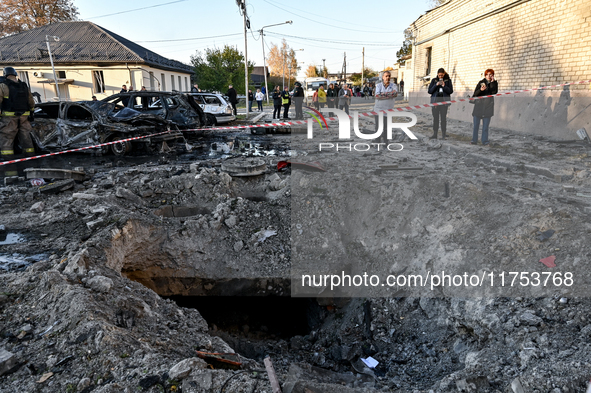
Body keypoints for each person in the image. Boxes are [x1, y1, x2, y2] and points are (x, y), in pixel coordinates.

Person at [0, 67, 36, 160]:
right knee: (25, 136)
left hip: (9, 117)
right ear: (15, 74)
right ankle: (30, 157)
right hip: (24, 116)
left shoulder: (3, 86)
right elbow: (31, 101)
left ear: (5, 75)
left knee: (7, 137)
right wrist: (31, 111)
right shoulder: (24, 85)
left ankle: (8, 160)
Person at [471, 68, 498, 146]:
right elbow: (475, 94)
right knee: (476, 126)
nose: (489, 76)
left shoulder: (494, 83)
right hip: (478, 107)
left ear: (493, 75)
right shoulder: (481, 82)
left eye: (491, 74)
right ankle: (474, 140)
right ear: (485, 75)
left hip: (488, 107)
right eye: (487, 74)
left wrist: (493, 82)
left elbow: (494, 92)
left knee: (485, 127)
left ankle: (485, 141)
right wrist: (481, 90)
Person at [427, 68, 453, 140]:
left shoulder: (448, 81)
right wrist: (436, 85)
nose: (440, 77)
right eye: (439, 75)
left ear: (444, 74)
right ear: (437, 74)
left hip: (444, 102)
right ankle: (435, 134)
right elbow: (430, 91)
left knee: (443, 119)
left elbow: (450, 91)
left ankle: (443, 135)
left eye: (442, 75)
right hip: (435, 102)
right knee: (435, 118)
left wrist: (444, 86)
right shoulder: (434, 80)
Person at [373, 71, 398, 144]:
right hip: (378, 110)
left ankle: (386, 143)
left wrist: (383, 94)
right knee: (378, 128)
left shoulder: (393, 86)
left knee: (387, 128)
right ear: (383, 77)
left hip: (388, 110)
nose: (388, 77)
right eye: (386, 76)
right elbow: (377, 95)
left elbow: (395, 94)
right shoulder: (379, 86)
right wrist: (389, 94)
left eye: (389, 76)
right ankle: (377, 143)